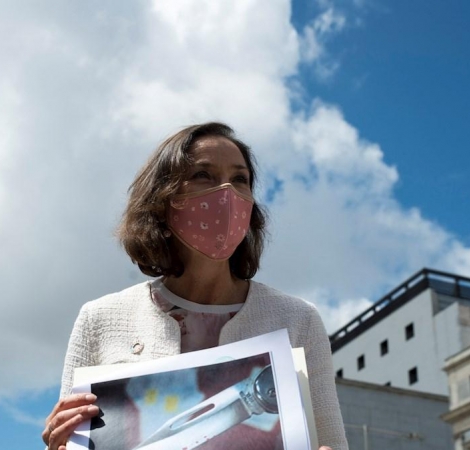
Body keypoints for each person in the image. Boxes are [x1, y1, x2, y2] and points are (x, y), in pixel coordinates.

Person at [42, 123, 348, 450]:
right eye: (203, 175)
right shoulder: (100, 320)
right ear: (163, 199)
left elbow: (330, 440)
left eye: (240, 179)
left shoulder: (297, 320)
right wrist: (59, 442)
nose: (227, 192)